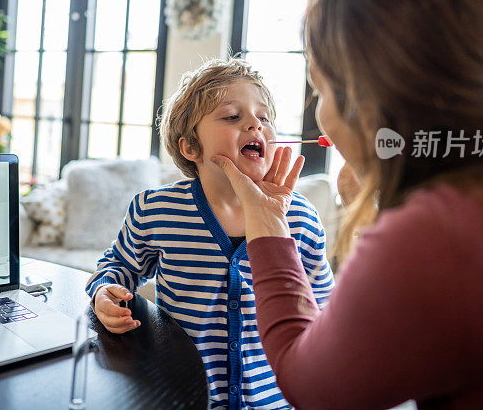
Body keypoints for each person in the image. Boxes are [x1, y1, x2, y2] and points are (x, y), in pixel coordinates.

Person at [212, 0, 483, 409]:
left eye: (322, 90)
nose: (321, 115)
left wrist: (268, 226)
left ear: (369, 101)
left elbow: (316, 388)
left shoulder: (434, 236)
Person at [85, 58, 334, 409]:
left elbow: (325, 311)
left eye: (264, 117)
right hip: (182, 398)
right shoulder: (156, 210)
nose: (255, 124)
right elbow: (116, 266)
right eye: (232, 116)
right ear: (191, 147)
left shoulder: (302, 219)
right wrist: (104, 292)